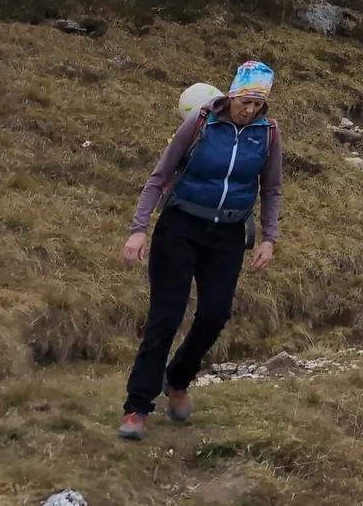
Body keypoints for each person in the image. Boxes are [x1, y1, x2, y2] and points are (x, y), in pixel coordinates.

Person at [118, 60, 283, 440]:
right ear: (232, 94)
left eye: (258, 103)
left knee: (214, 314)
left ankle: (177, 379)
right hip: (180, 228)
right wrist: (138, 230)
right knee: (166, 317)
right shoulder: (201, 123)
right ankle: (136, 408)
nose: (250, 109)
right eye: (245, 101)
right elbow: (159, 178)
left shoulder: (268, 134)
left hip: (227, 235)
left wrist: (270, 238)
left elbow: (271, 189)